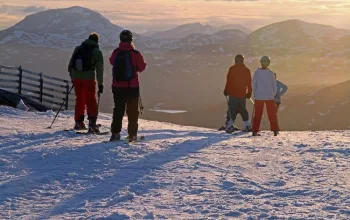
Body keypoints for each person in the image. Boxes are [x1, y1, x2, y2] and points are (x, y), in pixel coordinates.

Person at [109, 30, 147, 142]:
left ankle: (115, 134)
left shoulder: (116, 52)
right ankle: (132, 135)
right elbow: (141, 67)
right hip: (132, 87)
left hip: (117, 86)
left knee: (118, 110)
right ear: (131, 40)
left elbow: (111, 62)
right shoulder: (135, 54)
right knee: (132, 111)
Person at [68, 32, 104, 133]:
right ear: (97, 41)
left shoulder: (78, 48)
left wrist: (73, 77)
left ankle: (78, 122)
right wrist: (100, 84)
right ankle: (92, 124)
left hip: (76, 77)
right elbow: (99, 70)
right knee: (91, 100)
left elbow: (70, 65)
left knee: (79, 99)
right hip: (88, 78)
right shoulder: (97, 52)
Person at [222, 54, 252, 133]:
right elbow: (249, 82)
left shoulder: (232, 69)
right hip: (242, 94)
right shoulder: (246, 70)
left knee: (232, 110)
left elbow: (229, 81)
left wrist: (226, 90)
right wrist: (249, 92)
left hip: (233, 93)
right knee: (243, 110)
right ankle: (247, 125)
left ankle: (229, 125)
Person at [252, 56, 280, 136]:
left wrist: (255, 94)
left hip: (259, 96)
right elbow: (274, 86)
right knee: (272, 114)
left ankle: (255, 130)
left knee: (258, 114)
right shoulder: (271, 73)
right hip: (269, 96)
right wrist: (273, 94)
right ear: (269, 63)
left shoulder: (257, 73)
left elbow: (254, 85)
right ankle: (275, 129)